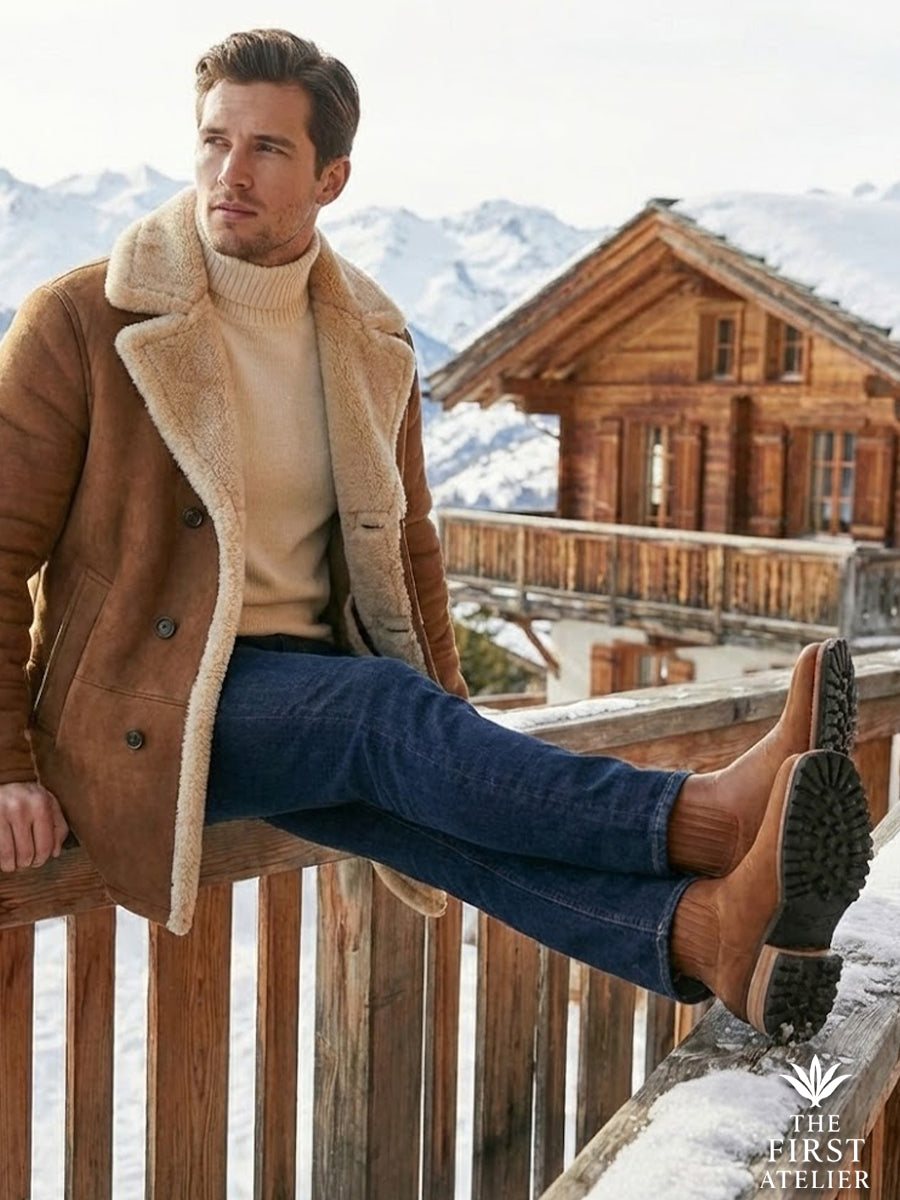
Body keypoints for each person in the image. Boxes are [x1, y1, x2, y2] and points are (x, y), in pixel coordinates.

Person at [0, 29, 871, 1040]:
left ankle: (708, 939)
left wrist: (461, 757)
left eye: (268, 150)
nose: (229, 173)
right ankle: (703, 818)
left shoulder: (369, 337)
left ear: (333, 175)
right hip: (140, 704)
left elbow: (410, 551)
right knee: (377, 719)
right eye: (214, 141)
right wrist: (6, 763)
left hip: (305, 688)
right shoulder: (81, 320)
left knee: (431, 810)